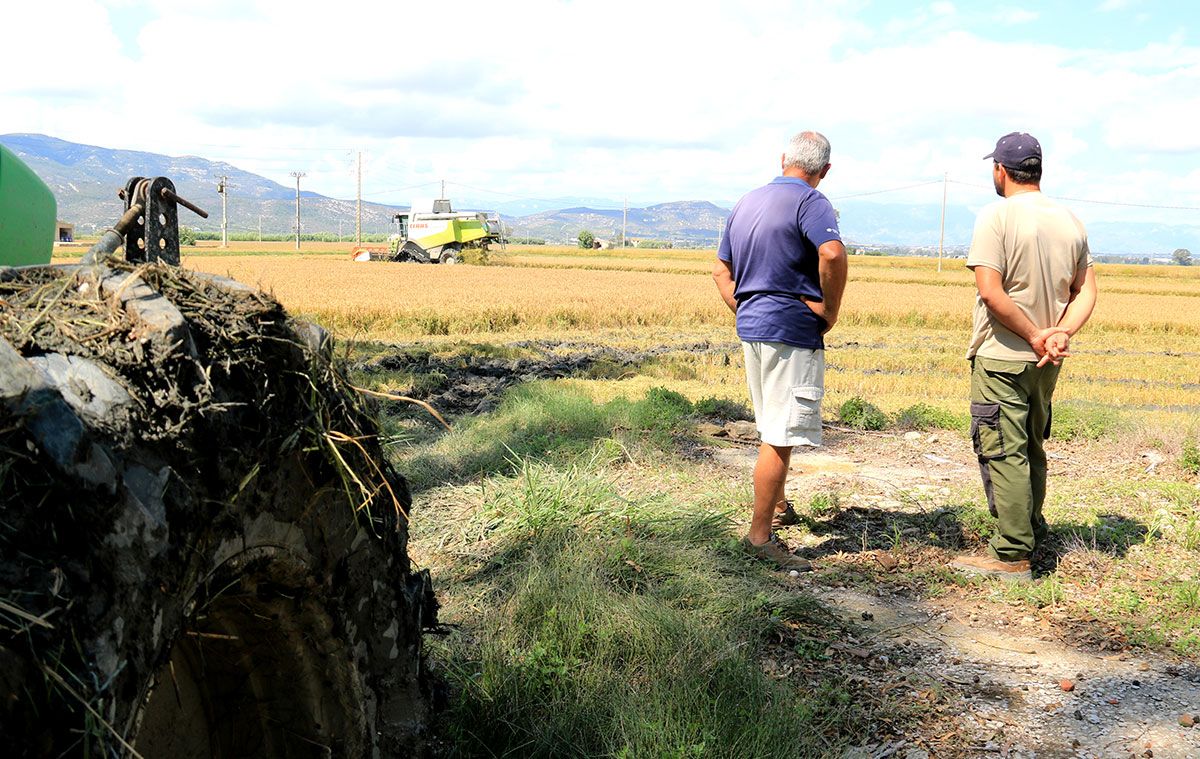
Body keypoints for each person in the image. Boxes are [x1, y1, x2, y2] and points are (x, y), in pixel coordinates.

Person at [951, 132, 1098, 581]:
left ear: (1000, 170)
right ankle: (1032, 529)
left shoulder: (995, 217)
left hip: (1004, 355)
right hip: (1046, 362)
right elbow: (1086, 290)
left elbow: (990, 293)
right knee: (1032, 446)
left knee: (1003, 451)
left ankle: (1013, 553)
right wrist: (1060, 335)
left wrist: (1035, 335)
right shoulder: (1069, 219)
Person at [713, 131, 848, 571]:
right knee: (780, 434)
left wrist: (747, 305)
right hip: (791, 330)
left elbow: (720, 270)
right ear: (824, 171)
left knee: (772, 420)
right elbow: (830, 253)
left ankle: (780, 505)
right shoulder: (812, 202)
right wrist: (829, 309)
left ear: (783, 159)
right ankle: (759, 537)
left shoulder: (747, 201)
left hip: (752, 327)